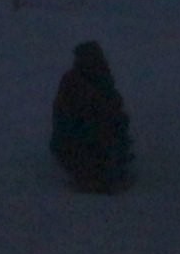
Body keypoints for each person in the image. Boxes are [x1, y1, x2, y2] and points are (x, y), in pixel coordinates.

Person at [48, 38, 135, 192]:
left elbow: (115, 105)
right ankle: (89, 174)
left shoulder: (103, 78)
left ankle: (109, 169)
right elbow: (64, 114)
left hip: (101, 132)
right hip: (76, 134)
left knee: (113, 127)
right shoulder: (72, 81)